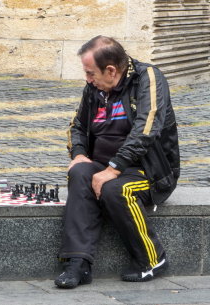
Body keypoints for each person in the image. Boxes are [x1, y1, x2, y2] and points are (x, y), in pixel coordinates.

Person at [55, 36, 180, 289]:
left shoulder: (148, 78)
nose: (88, 79)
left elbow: (147, 128)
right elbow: (78, 124)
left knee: (115, 190)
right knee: (80, 173)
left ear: (111, 70)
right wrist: (79, 153)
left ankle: (152, 259)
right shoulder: (94, 87)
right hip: (103, 165)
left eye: (91, 73)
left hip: (148, 170)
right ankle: (78, 262)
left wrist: (113, 169)